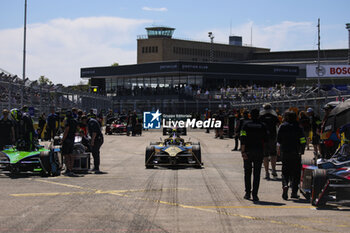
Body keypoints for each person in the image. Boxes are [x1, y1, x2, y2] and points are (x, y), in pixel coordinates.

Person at [240, 108, 268, 202]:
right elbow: (266, 139)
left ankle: (247, 193)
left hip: (248, 151)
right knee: (257, 174)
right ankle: (255, 194)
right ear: (259, 115)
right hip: (259, 151)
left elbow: (243, 139)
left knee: (247, 173)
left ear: (250, 115)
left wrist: (243, 151)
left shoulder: (246, 125)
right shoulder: (263, 126)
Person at [277, 111, 306, 200]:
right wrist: (302, 150)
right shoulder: (298, 127)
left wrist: (279, 149)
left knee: (285, 171)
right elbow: (303, 140)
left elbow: (278, 140)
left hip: (285, 152)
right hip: (296, 152)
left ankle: (285, 185)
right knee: (296, 172)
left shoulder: (282, 126)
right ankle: (294, 192)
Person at [259, 103, 280, 179]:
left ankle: (267, 172)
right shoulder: (274, 117)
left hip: (264, 138)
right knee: (273, 154)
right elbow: (278, 126)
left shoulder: (261, 117)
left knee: (265, 155)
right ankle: (274, 170)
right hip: (273, 137)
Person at [61, 110, 78, 176]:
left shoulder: (68, 121)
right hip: (72, 139)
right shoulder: (74, 120)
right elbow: (77, 129)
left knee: (66, 154)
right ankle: (71, 168)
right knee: (71, 154)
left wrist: (62, 139)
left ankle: (68, 169)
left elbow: (66, 130)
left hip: (67, 139)